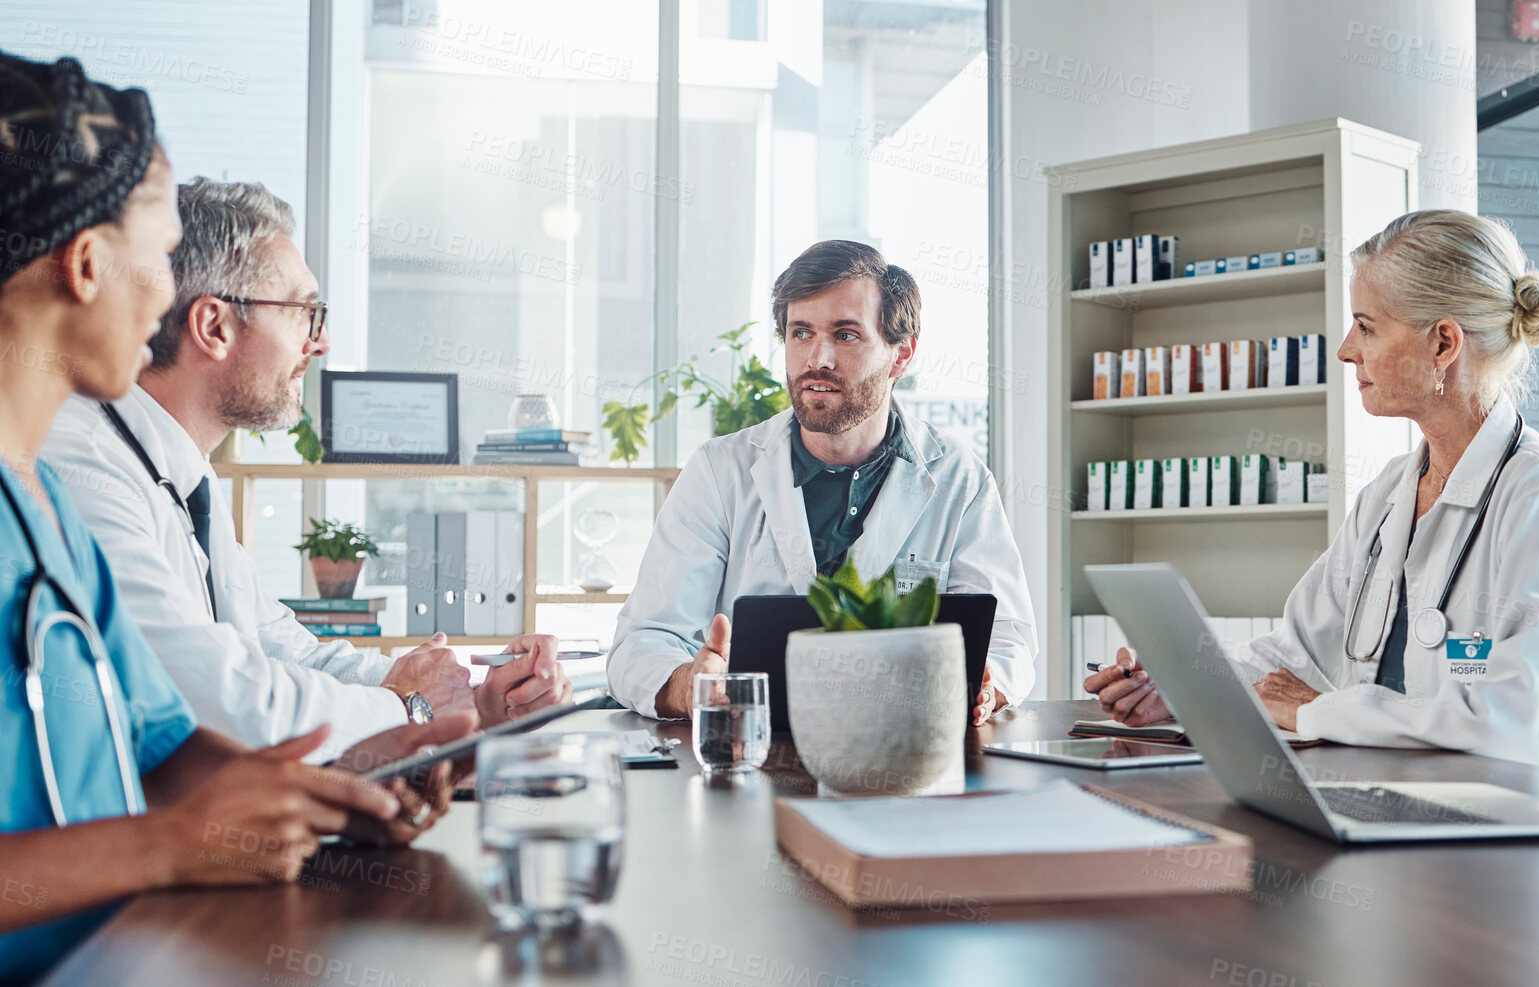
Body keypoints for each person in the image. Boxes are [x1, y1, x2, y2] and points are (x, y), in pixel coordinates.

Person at [0, 52, 472, 982]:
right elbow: (174, 819)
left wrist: (351, 786)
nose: (171, 298)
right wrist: (169, 846)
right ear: (86, 264)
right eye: (160, 255)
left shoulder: (44, 509)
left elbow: (167, 750)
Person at [40, 177, 569, 760]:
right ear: (214, 327)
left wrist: (468, 698)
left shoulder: (185, 475)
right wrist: (410, 709)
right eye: (305, 314)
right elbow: (221, 703)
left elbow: (286, 654)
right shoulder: (85, 466)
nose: (319, 344)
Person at [1086, 210, 1539, 767]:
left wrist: (1317, 711)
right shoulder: (1389, 494)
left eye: (1367, 326)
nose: (1346, 350)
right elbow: (1294, 660)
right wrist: (1179, 689)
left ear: (1444, 344)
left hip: (1496, 823)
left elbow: (1510, 726)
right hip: (1376, 796)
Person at [608, 240, 1036, 724]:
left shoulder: (958, 477)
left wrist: (989, 683)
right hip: (752, 757)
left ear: (900, 355)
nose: (818, 358)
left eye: (846, 335)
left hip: (902, 753)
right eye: (801, 332)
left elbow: (1009, 637)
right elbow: (642, 641)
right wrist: (690, 684)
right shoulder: (718, 471)